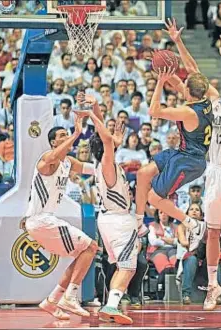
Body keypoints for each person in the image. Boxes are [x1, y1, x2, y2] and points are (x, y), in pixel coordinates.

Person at [163, 20, 221, 311]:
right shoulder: (214, 103)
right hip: (214, 171)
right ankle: (212, 286)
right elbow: (193, 73)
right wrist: (178, 42)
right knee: (212, 231)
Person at [135, 20, 213, 238]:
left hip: (191, 161)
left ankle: (192, 223)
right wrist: (169, 63)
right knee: (143, 174)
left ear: (190, 92)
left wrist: (160, 82)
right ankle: (139, 222)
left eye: (184, 85)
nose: (182, 84)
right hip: (182, 152)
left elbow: (153, 111)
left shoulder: (188, 112)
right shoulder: (205, 97)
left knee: (154, 198)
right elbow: (188, 76)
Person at [22, 111, 100, 320]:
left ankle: (53, 300)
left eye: (67, 135)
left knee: (84, 252)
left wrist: (110, 166)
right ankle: (70, 296)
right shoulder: (47, 159)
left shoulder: (68, 162)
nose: (66, 138)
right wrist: (75, 134)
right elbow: (54, 156)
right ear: (53, 142)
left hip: (44, 222)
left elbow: (92, 169)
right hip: (41, 220)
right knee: (91, 246)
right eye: (62, 136)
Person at [84, 105, 136, 325]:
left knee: (120, 266)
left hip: (109, 219)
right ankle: (112, 305)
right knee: (128, 267)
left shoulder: (100, 165)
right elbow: (105, 139)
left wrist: (95, 108)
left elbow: (103, 137)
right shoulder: (107, 163)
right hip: (119, 220)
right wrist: (93, 113)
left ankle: (110, 305)